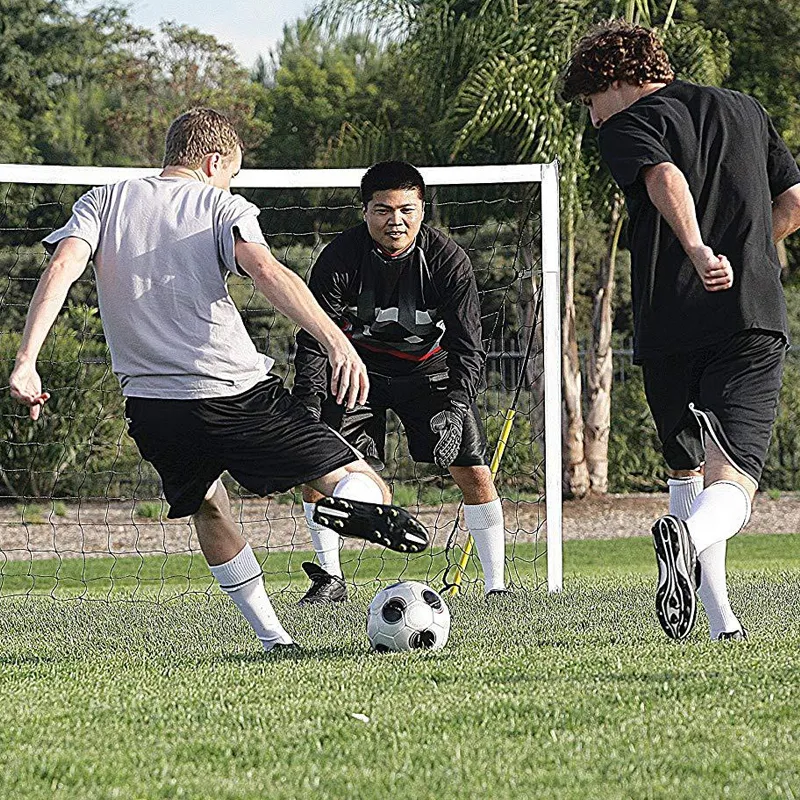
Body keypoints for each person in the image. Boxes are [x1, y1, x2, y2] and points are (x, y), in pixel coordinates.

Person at [9, 108, 428, 653]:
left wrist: (26, 359)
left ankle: (274, 638)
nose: (232, 182)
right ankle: (346, 506)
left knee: (209, 504)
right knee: (363, 481)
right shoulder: (219, 203)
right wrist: (336, 340)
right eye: (232, 171)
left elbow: (61, 267)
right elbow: (268, 272)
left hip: (152, 406)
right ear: (214, 162)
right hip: (235, 393)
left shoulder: (102, 199)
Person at [562, 21, 800, 640]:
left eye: (591, 101)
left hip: (669, 320)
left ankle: (718, 619)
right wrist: (741, 252)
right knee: (733, 482)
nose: (593, 119)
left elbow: (663, 175)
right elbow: (796, 202)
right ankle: (690, 552)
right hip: (748, 316)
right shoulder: (746, 109)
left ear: (619, 81)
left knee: (687, 470)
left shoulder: (628, 123)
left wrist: (695, 249)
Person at [292, 160, 508, 604]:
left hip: (427, 372)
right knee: (317, 465)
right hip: (357, 373)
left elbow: (469, 344)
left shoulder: (448, 260)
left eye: (407, 210)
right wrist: (307, 408)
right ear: (364, 211)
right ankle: (330, 580)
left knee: (475, 472)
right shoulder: (338, 258)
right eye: (383, 210)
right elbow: (315, 337)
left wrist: (457, 405)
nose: (396, 221)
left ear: (423, 210)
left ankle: (497, 587)